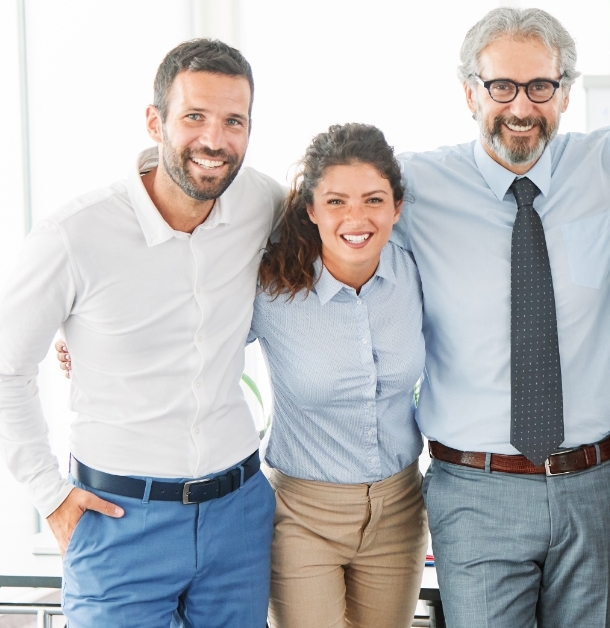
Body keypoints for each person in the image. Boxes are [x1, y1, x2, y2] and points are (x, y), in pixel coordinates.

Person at [0, 39, 283, 627]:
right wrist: (48, 495)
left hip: (239, 517)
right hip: (119, 521)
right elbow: (6, 369)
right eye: (194, 117)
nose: (215, 140)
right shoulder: (73, 235)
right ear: (155, 121)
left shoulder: (262, 202)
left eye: (234, 121)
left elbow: (339, 227)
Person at [395, 8, 610, 626]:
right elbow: (321, 209)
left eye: (541, 87)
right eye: (501, 87)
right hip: (475, 490)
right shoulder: (414, 185)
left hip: (594, 485)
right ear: (468, 92)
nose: (522, 106)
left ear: (565, 92)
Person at [252, 124, 427, 627]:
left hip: (399, 508)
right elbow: (194, 337)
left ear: (397, 207)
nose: (356, 218)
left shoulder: (416, 274)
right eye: (336, 201)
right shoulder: (271, 288)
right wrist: (88, 345)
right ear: (311, 210)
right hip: (303, 515)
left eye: (373, 199)